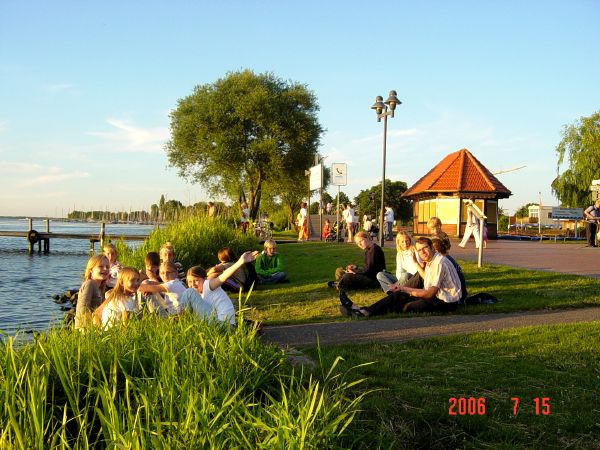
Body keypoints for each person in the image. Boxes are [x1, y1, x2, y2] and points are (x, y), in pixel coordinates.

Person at [339, 237, 462, 317]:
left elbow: (429, 293)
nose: (422, 252)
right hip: (437, 297)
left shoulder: (439, 262)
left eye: (425, 248)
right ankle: (362, 310)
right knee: (399, 297)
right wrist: (404, 289)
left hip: (446, 303)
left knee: (406, 307)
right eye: (419, 250)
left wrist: (405, 289)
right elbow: (426, 278)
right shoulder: (432, 261)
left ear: (432, 248)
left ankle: (363, 311)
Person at [179, 251, 257, 325]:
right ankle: (185, 323)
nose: (192, 284)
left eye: (196, 280)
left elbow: (224, 276)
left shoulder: (207, 285)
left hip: (223, 324)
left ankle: (181, 321)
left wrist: (240, 261)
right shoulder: (200, 294)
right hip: (221, 324)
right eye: (189, 282)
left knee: (189, 292)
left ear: (204, 279)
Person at [74, 254, 110, 330]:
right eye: (100, 266)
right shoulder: (89, 284)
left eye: (107, 267)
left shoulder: (100, 287)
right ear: (91, 270)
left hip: (95, 328)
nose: (105, 269)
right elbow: (83, 309)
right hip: (85, 329)